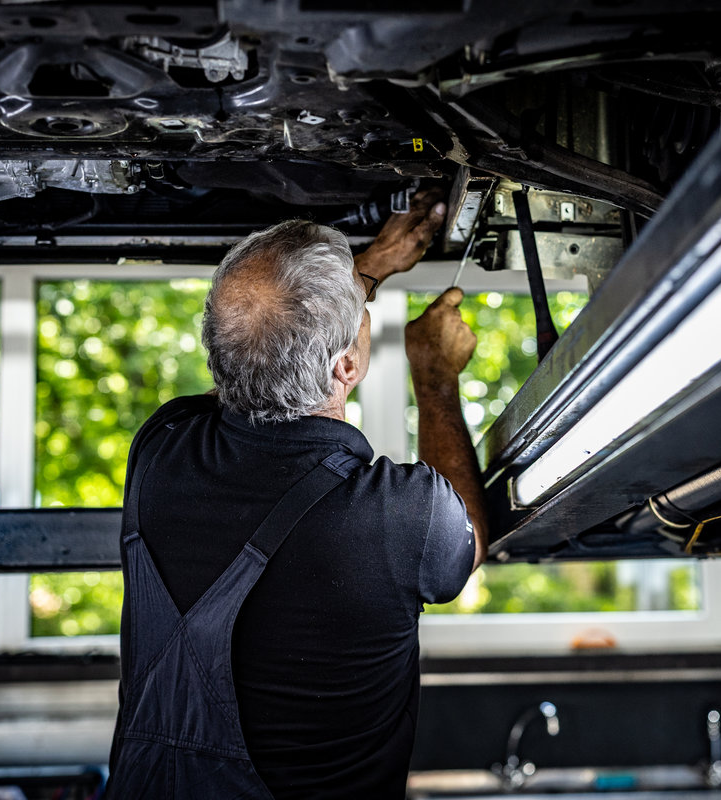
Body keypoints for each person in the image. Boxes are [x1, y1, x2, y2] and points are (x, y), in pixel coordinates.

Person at [105, 189, 489, 799]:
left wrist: (369, 268)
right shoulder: (397, 516)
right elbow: (467, 542)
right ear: (345, 369)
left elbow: (259, 350)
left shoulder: (163, 447)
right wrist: (434, 376)